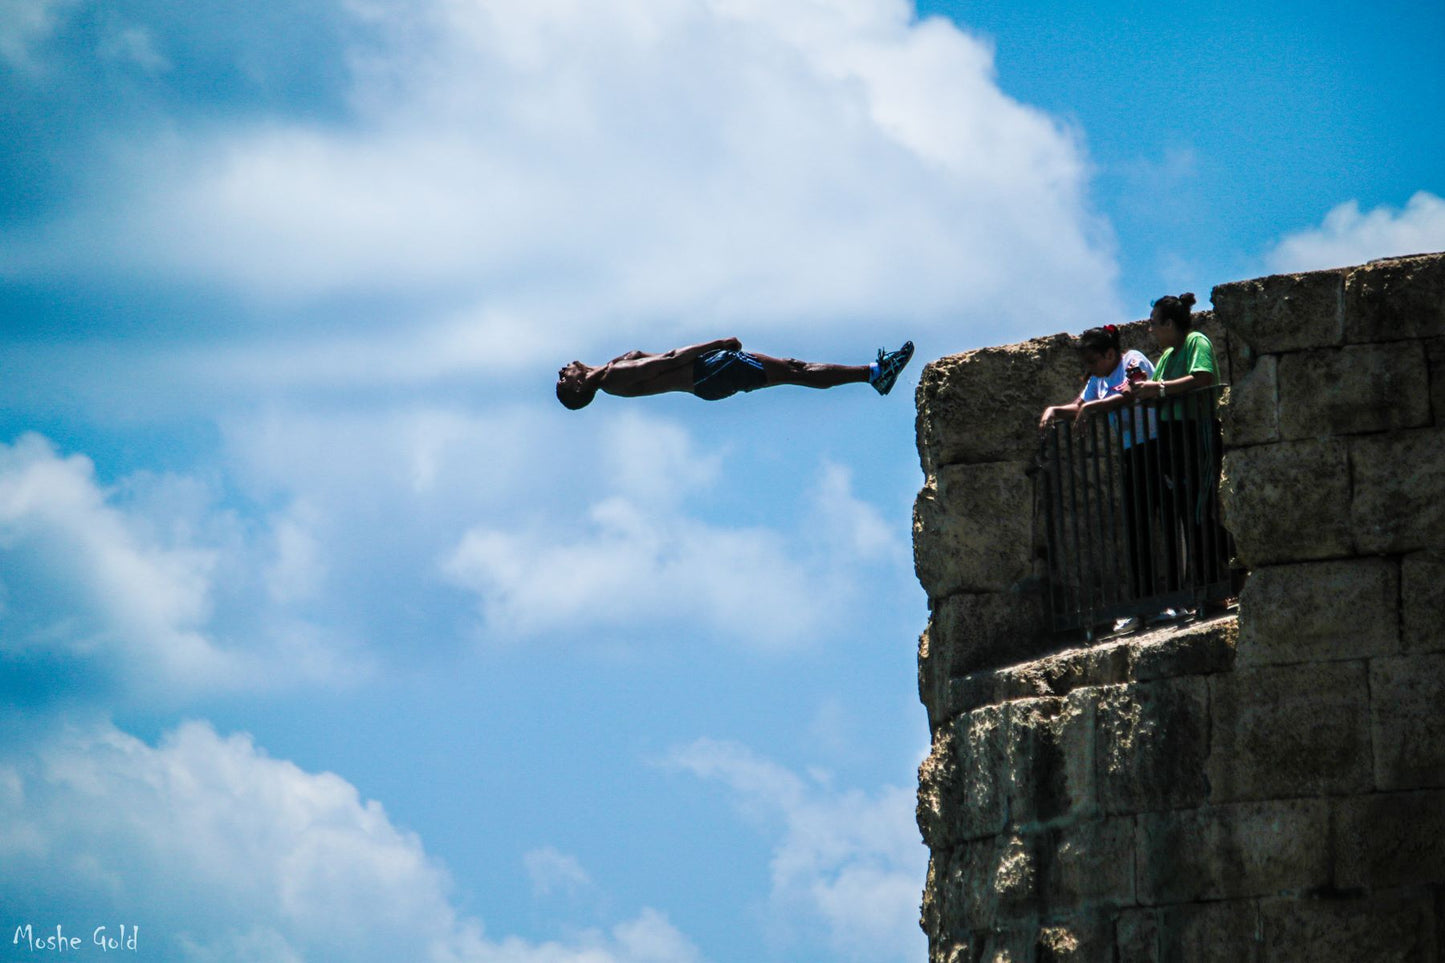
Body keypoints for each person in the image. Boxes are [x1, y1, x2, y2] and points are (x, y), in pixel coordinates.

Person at [1039, 324, 1158, 623]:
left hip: (1157, 445)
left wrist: (1092, 409)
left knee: (1164, 522)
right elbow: (1080, 405)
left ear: (1109, 353)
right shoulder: (1099, 378)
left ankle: (1168, 600)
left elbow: (1131, 394)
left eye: (1094, 361)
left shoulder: (1132, 361)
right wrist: (1054, 410)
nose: (1090, 369)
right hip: (1133, 451)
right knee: (1137, 529)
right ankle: (1143, 604)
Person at [1120, 292, 1226, 606]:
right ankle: (1219, 574)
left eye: (1154, 323)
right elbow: (1158, 389)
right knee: (1186, 511)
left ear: (1169, 323)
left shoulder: (1196, 342)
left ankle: (1216, 584)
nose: (1150, 329)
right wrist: (1141, 390)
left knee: (1198, 509)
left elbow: (1203, 376)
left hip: (1197, 432)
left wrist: (1161, 388)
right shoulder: (1166, 356)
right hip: (1173, 437)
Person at [556, 338, 914, 409]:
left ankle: (874, 373)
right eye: (562, 379)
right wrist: (718, 344)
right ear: (578, 388)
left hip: (708, 378)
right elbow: (667, 360)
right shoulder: (612, 378)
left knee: (794, 369)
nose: (562, 370)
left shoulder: (609, 373)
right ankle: (875, 374)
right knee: (795, 371)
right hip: (709, 371)